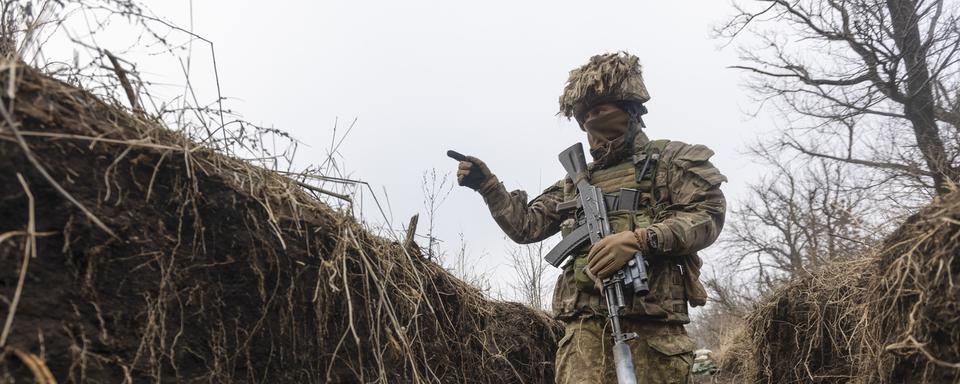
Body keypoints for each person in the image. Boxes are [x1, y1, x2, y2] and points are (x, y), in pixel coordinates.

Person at [454, 52, 727, 383]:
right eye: (586, 115)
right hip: (583, 334)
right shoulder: (575, 181)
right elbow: (527, 226)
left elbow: (708, 213)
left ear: (630, 107)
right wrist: (489, 187)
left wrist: (641, 240)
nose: (593, 120)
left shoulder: (669, 161)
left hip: (654, 329)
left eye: (602, 109)